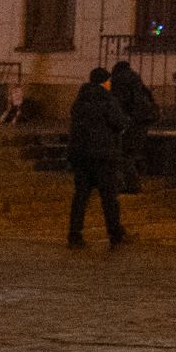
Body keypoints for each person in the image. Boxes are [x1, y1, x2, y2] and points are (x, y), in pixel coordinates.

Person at [64, 67, 126, 248]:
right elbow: (120, 122)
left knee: (80, 196)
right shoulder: (107, 99)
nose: (110, 84)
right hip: (103, 156)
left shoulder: (80, 101)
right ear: (105, 81)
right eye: (109, 81)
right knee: (109, 198)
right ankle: (115, 235)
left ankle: (74, 235)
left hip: (81, 156)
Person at [107, 59, 158, 193]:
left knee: (123, 153)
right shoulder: (136, 80)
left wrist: (117, 121)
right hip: (144, 120)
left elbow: (120, 102)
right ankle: (131, 184)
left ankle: (128, 184)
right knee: (131, 152)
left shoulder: (119, 80)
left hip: (133, 120)